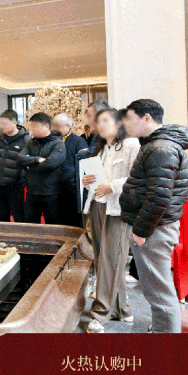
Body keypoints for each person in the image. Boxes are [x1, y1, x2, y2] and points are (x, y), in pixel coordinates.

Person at [119, 99, 188, 333]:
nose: (126, 125)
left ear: (147, 117)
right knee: (157, 289)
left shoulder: (161, 148)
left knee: (159, 293)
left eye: (130, 119)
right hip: (156, 226)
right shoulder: (158, 144)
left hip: (154, 228)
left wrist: (141, 231)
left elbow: (159, 197)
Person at [82, 108, 140, 333]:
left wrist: (112, 186)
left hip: (118, 209)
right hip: (98, 205)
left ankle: (100, 314)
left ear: (119, 122)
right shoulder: (102, 148)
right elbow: (97, 181)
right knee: (103, 260)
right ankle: (121, 308)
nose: (101, 124)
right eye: (99, 121)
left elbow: (138, 178)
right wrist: (88, 181)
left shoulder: (131, 144)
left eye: (106, 120)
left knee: (111, 260)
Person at [18, 112, 66, 225]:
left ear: (46, 126)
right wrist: (37, 159)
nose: (32, 130)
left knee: (52, 226)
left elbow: (51, 164)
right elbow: (20, 158)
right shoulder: (30, 143)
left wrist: (29, 166)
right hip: (32, 193)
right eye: (32, 126)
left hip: (51, 193)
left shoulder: (58, 144)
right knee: (30, 226)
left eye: (36, 126)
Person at [0, 110, 31, 223]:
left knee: (19, 216)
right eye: (1, 123)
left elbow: (29, 161)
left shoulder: (26, 139)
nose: (2, 126)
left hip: (16, 185)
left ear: (14, 123)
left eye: (5, 124)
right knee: (2, 216)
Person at [52, 113, 88, 228]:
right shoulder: (52, 140)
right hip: (54, 187)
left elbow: (84, 165)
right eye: (53, 126)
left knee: (73, 222)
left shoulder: (78, 141)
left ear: (68, 126)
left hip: (72, 188)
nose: (54, 129)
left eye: (57, 126)